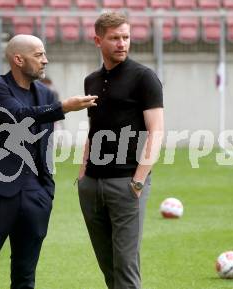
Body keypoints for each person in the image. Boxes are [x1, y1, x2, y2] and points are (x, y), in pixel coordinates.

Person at [0, 34, 97, 289]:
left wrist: (47, 190)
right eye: (38, 55)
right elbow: (19, 117)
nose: (45, 60)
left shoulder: (46, 94)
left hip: (35, 195)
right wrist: (64, 107)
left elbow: (46, 143)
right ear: (18, 59)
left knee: (25, 278)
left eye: (44, 54)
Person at [77, 12, 164, 289]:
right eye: (114, 38)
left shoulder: (144, 78)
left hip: (126, 184)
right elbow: (94, 130)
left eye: (125, 37)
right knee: (108, 268)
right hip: (91, 185)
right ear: (97, 40)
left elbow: (156, 131)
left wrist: (138, 181)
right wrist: (82, 175)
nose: (122, 43)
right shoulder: (90, 80)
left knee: (126, 269)